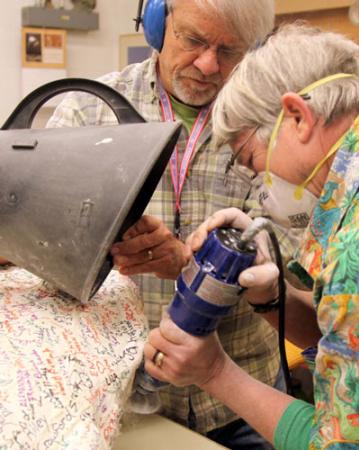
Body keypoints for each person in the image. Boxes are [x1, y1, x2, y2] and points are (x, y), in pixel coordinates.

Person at [143, 22, 359, 449]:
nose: (261, 188)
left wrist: (214, 372)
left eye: (251, 161)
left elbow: (348, 444)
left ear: (298, 117)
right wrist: (273, 299)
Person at [40, 1, 301, 449]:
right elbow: (40, 242)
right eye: (194, 40)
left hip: (243, 395)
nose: (207, 64)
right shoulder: (89, 111)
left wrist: (193, 262)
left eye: (229, 51)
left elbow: (295, 249)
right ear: (159, 24)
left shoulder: (273, 124)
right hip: (121, 400)